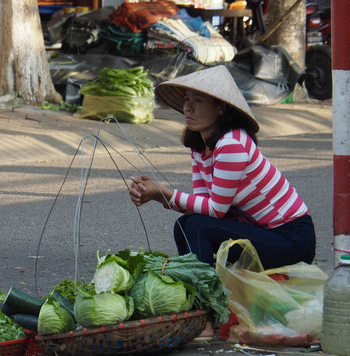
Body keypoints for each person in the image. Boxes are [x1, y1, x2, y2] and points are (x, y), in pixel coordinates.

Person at [129, 65, 316, 270]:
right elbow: (203, 205)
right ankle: (197, 286)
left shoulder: (231, 144)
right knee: (185, 224)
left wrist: (164, 192)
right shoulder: (200, 145)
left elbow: (217, 209)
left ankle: (205, 292)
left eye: (198, 100)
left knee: (196, 226)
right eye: (186, 99)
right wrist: (159, 196)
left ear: (221, 108)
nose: (188, 107)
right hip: (264, 233)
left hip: (292, 239)